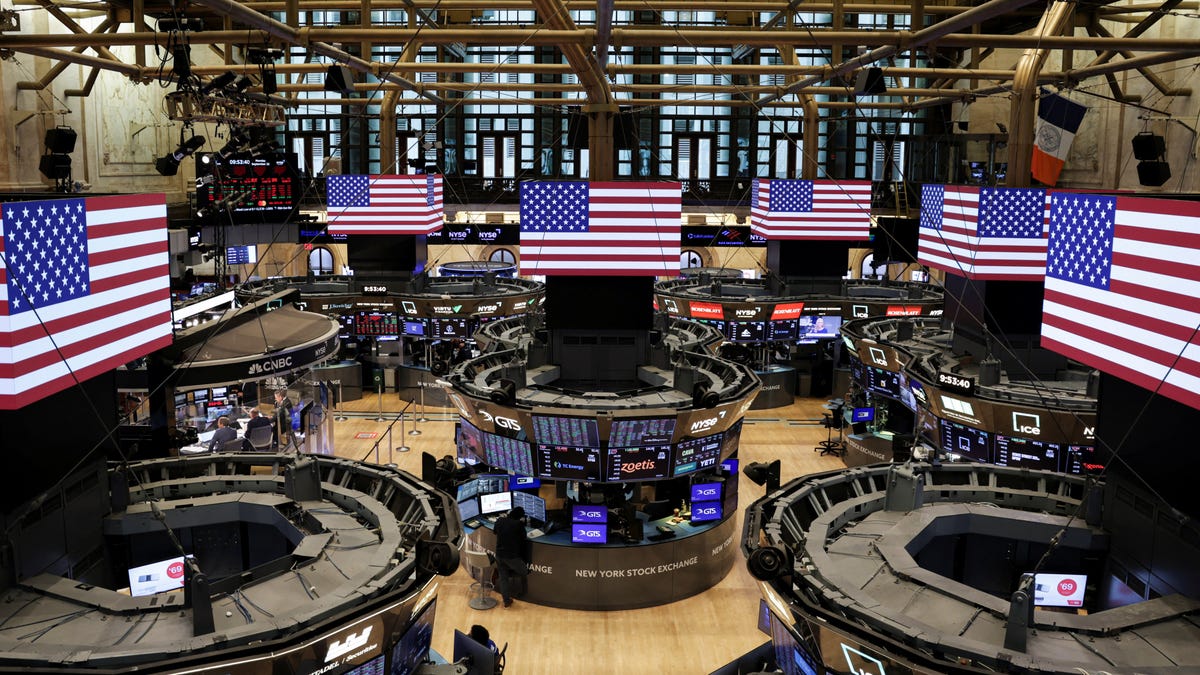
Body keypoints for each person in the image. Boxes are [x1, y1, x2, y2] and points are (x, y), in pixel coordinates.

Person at [493, 506, 528, 608]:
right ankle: (524, 593)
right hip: (512, 557)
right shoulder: (518, 524)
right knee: (524, 572)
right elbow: (524, 537)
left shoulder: (500, 520)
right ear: (520, 517)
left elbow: (494, 531)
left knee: (504, 579)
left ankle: (506, 601)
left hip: (499, 555)